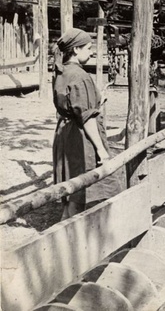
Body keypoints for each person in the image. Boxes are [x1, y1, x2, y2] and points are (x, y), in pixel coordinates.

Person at [52, 28, 120, 220]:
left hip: (64, 134)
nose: (92, 52)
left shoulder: (61, 71)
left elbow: (72, 104)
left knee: (69, 191)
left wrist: (97, 100)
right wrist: (101, 149)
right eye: (88, 48)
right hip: (80, 138)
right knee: (79, 194)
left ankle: (64, 231)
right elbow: (86, 118)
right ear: (75, 50)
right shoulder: (81, 76)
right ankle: (70, 240)